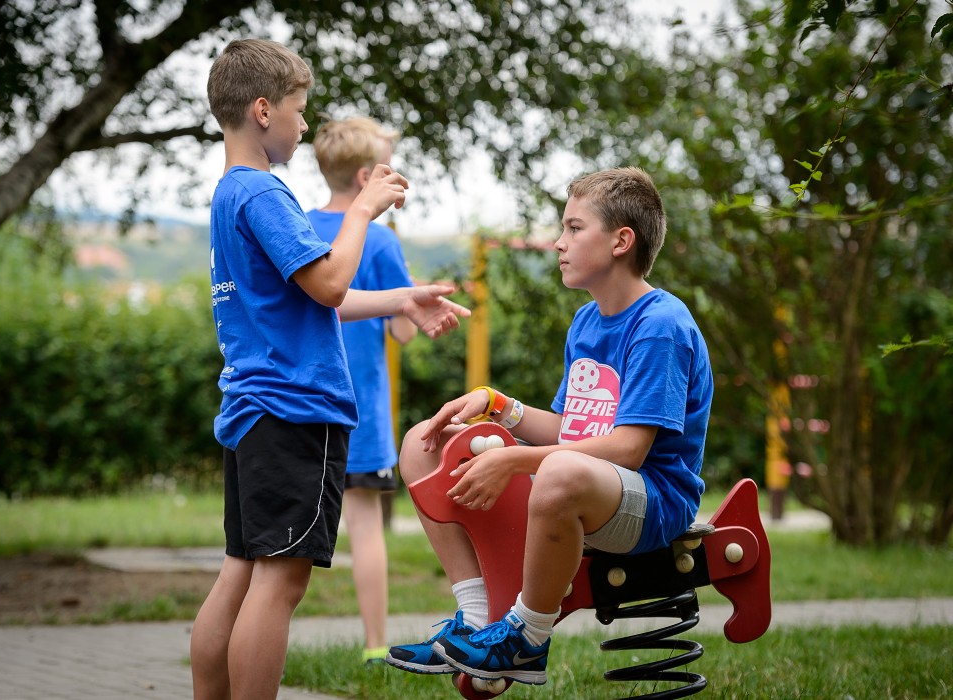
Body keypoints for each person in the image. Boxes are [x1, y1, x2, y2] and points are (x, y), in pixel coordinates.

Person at [192, 39, 469, 700]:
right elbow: (331, 281)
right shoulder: (265, 193)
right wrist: (364, 208)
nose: (303, 124)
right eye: (298, 109)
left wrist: (401, 298)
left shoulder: (230, 194)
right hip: (295, 409)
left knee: (240, 572)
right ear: (263, 110)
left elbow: (316, 298)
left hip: (254, 409)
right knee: (278, 582)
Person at [385, 167, 713, 686]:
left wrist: (514, 460)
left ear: (621, 242)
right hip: (587, 483)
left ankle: (527, 638)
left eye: (574, 228)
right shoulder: (586, 322)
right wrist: (496, 404)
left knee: (559, 471)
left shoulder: (660, 326)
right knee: (422, 444)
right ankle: (476, 618)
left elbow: (627, 450)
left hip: (653, 501)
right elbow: (570, 429)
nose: (559, 242)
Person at [306, 116, 416, 665]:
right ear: (366, 178)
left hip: (300, 407)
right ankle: (375, 647)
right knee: (366, 529)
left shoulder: (298, 227)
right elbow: (404, 329)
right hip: (360, 414)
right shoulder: (380, 240)